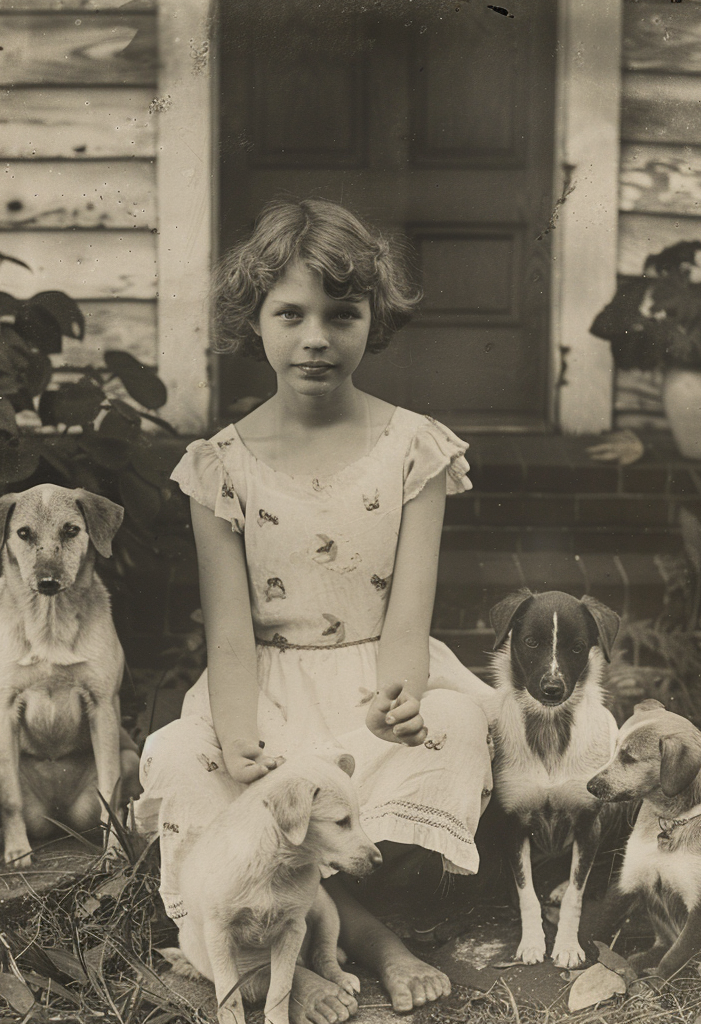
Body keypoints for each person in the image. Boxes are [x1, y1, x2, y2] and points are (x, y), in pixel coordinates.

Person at [135, 198, 495, 1022]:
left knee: (460, 727)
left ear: (375, 320)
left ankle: (339, 937)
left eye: (343, 314)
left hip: (374, 677)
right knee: (184, 759)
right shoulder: (220, 467)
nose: (316, 338)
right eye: (289, 314)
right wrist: (236, 734)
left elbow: (410, 610)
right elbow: (229, 631)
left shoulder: (416, 448)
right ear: (253, 320)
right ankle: (365, 946)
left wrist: (396, 701)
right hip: (264, 692)